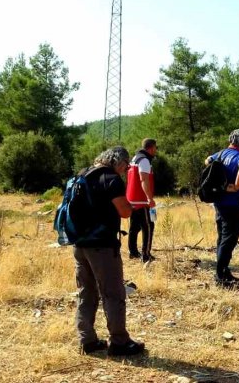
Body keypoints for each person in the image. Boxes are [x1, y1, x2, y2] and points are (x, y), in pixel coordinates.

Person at [74, 146, 145, 357]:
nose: (124, 171)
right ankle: (120, 343)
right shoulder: (111, 179)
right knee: (113, 293)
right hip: (103, 246)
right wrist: (131, 206)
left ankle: (87, 341)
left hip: (80, 244)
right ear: (118, 162)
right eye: (124, 166)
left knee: (86, 293)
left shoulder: (83, 174)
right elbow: (124, 211)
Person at [205, 129, 239, 288]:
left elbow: (207, 161)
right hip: (233, 204)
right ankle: (220, 275)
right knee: (228, 239)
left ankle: (224, 270)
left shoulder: (219, 154)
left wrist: (218, 180)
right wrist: (236, 186)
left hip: (219, 203)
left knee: (222, 237)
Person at [126, 138, 158, 263]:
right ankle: (146, 255)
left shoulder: (135, 158)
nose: (155, 151)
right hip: (141, 200)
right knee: (149, 225)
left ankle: (133, 252)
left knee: (134, 226)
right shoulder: (144, 160)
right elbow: (143, 180)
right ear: (150, 148)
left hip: (132, 199)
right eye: (155, 148)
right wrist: (149, 198)